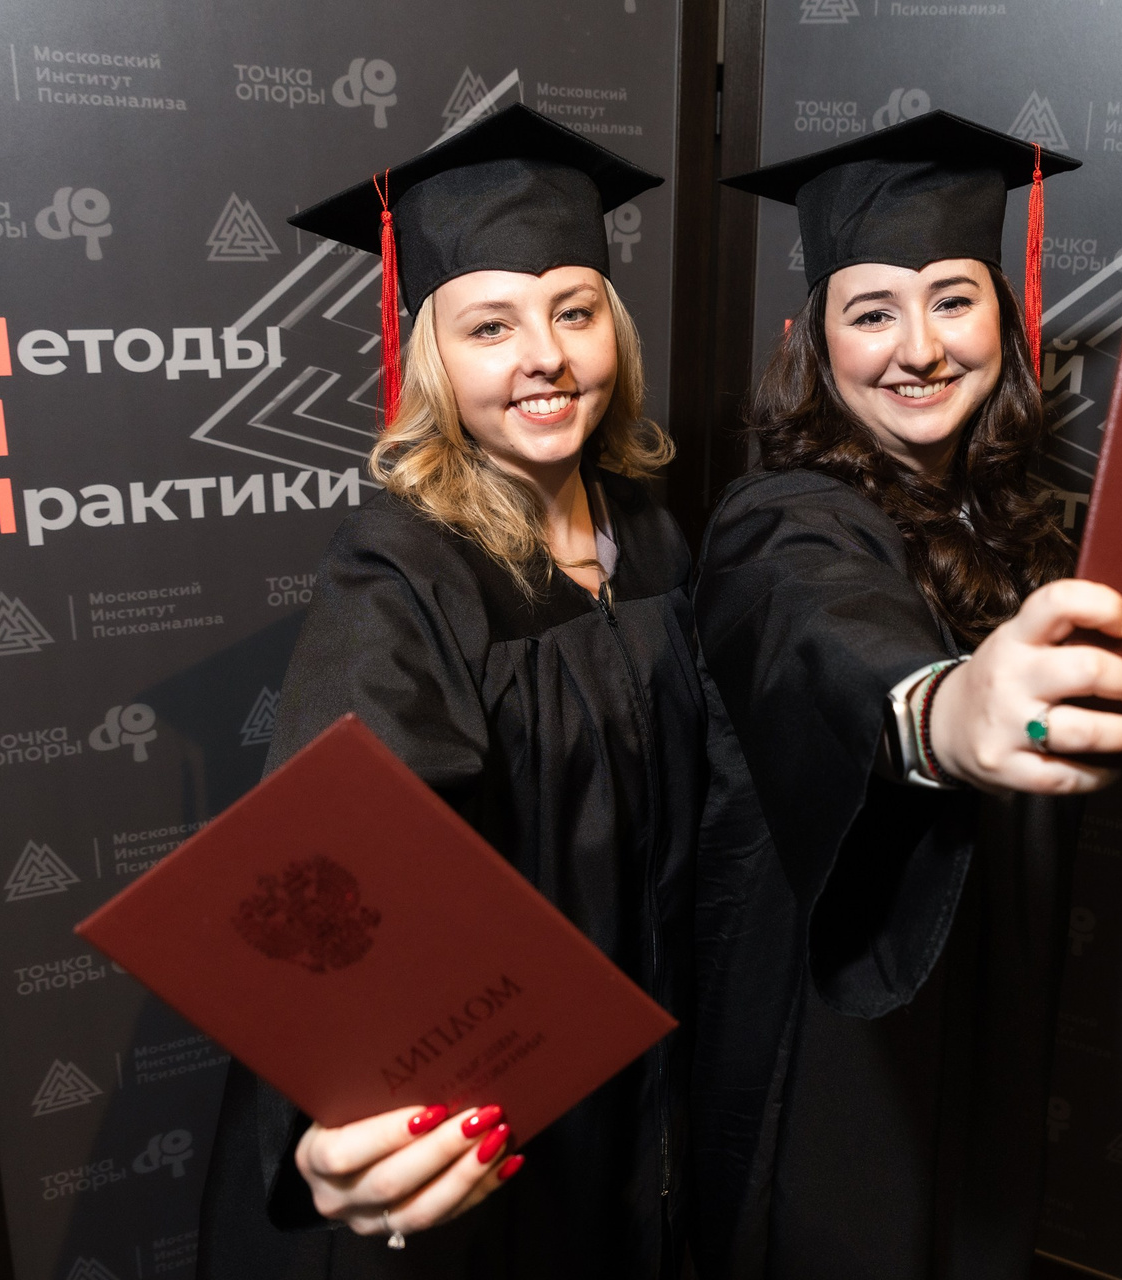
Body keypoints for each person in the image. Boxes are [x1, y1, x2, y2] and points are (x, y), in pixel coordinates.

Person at [197, 105, 702, 1280]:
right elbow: (344, 856)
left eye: (575, 311)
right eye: (490, 325)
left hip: (651, 1077)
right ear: (430, 356)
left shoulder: (655, 538)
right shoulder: (401, 569)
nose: (547, 355)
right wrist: (340, 1118)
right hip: (503, 1096)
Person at [691, 112, 1122, 1280]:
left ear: (1002, 314)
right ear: (815, 340)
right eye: (872, 313)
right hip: (836, 1030)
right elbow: (830, 639)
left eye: (953, 299)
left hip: (983, 999)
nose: (919, 347)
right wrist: (946, 713)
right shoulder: (782, 517)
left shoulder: (1007, 518)